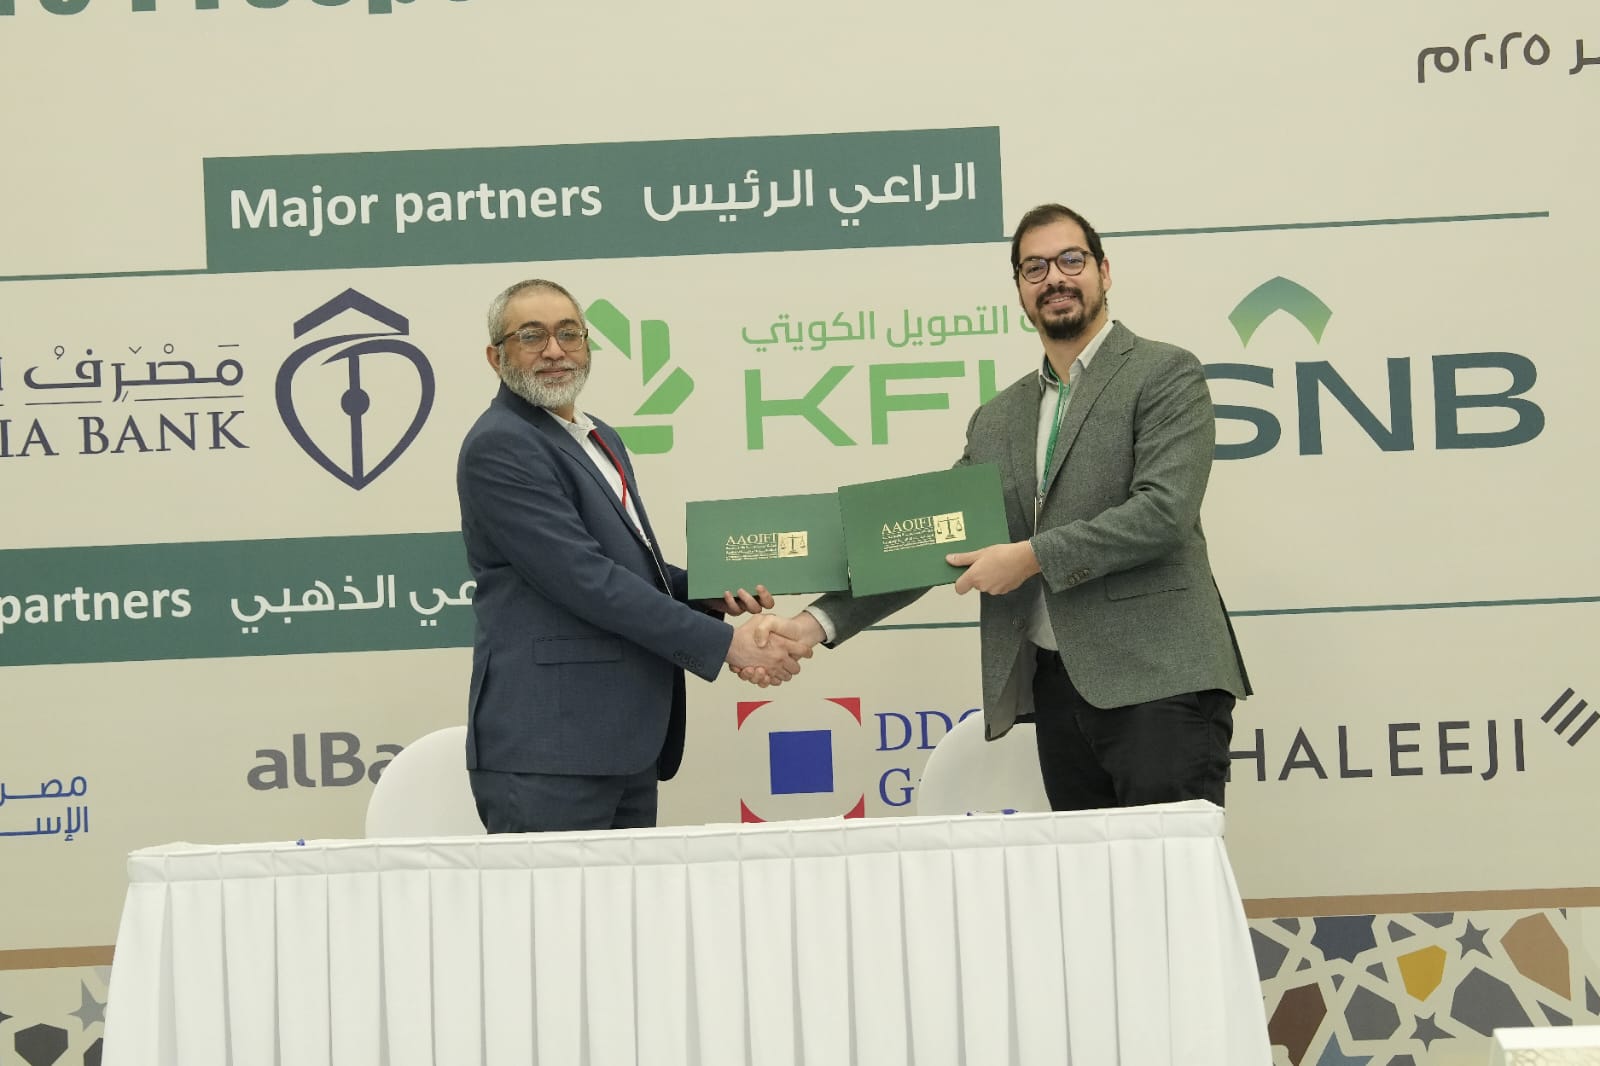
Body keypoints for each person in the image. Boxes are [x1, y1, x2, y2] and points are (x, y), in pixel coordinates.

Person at [747, 204, 1251, 811]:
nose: (1054, 278)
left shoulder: (1165, 372)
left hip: (1161, 680)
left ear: (1104, 271)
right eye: (1034, 268)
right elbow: (932, 539)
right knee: (1087, 873)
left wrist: (1030, 557)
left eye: (1071, 260)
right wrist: (810, 625)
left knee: (1169, 870)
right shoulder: (998, 419)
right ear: (1019, 289)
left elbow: (1163, 514)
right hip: (1056, 690)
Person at [458, 278, 812, 833]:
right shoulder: (501, 444)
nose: (554, 350)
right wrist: (728, 644)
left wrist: (709, 591)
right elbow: (586, 579)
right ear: (495, 356)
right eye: (531, 336)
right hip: (551, 753)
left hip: (623, 744)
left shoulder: (598, 436)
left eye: (569, 333)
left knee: (628, 895)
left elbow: (627, 567)